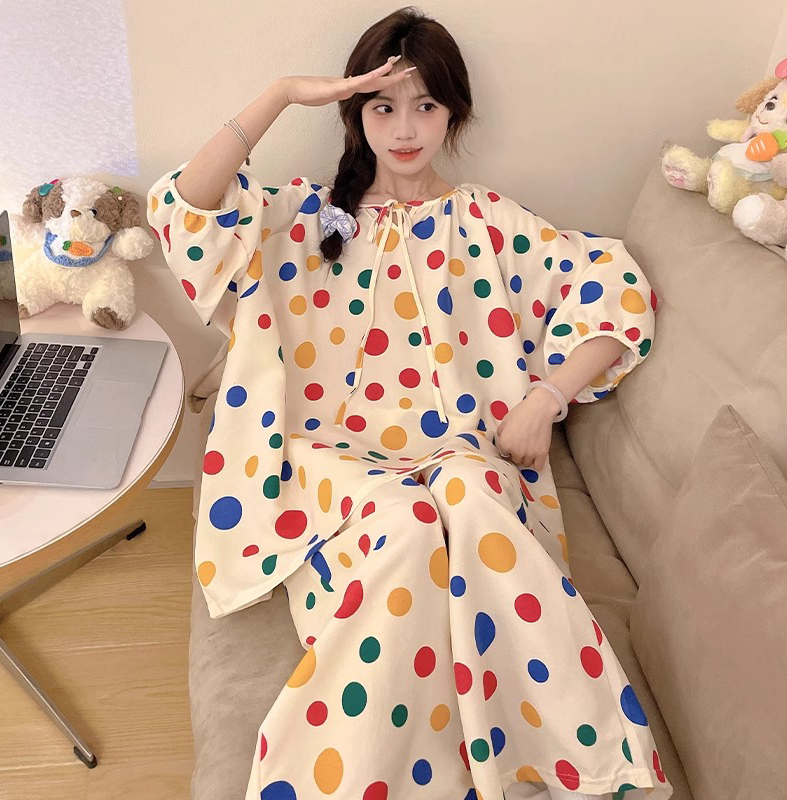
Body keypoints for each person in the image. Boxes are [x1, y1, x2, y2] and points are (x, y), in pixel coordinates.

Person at [147, 8, 671, 800]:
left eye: (425, 105)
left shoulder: (489, 223)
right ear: (354, 114)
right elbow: (186, 211)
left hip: (462, 453)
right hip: (331, 462)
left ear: (454, 114)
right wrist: (282, 93)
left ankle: (585, 768)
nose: (404, 128)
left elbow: (616, 287)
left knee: (472, 499)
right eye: (383, 106)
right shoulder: (306, 216)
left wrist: (547, 396)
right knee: (407, 525)